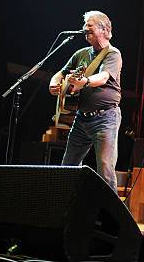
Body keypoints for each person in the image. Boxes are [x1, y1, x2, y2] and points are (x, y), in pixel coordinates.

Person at [49, 11, 122, 193]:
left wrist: (85, 82)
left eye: (90, 25)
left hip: (105, 119)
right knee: (68, 166)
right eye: (85, 25)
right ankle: (65, 208)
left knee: (105, 169)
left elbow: (104, 76)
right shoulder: (81, 53)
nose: (85, 28)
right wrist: (54, 82)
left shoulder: (113, 54)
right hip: (82, 119)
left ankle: (108, 215)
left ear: (104, 29)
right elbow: (61, 73)